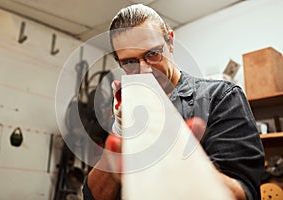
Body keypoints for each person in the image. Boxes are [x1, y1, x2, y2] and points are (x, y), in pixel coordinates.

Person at [82, 4, 264, 200]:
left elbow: (244, 194)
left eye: (152, 54)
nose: (144, 70)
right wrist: (119, 133)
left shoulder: (221, 97)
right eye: (130, 62)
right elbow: (93, 196)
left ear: (170, 42)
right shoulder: (127, 111)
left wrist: (179, 157)